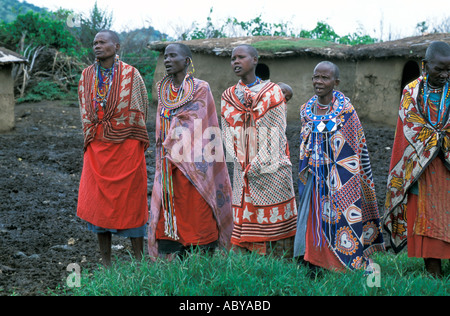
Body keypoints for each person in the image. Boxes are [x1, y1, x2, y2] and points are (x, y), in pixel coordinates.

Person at [294, 61, 385, 272]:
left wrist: (336, 172)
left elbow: (354, 148)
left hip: (341, 179)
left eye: (324, 78)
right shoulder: (306, 110)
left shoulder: (346, 112)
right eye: (316, 77)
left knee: (338, 219)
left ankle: (339, 263)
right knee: (313, 219)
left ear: (336, 82)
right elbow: (305, 142)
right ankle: (313, 260)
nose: (319, 82)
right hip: (315, 177)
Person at [148, 43, 233, 260]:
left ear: (186, 61)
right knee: (172, 208)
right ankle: (178, 256)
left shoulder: (200, 88)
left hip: (195, 165)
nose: (167, 60)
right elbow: (160, 126)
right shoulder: (163, 89)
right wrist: (166, 149)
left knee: (196, 209)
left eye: (173, 56)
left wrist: (172, 139)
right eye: (165, 56)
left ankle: (203, 259)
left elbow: (196, 121)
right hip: (169, 166)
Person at [77, 30, 150, 267]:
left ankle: (139, 262)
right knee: (98, 204)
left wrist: (124, 131)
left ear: (116, 46)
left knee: (132, 201)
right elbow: (84, 110)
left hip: (127, 148)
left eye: (102, 42)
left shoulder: (132, 74)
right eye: (95, 42)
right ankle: (106, 263)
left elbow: (140, 109)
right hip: (97, 148)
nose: (97, 46)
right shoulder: (87, 75)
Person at [221, 44, 297, 257]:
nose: (235, 61)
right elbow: (226, 131)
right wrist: (240, 161)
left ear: (255, 60)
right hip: (242, 169)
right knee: (244, 228)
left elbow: (277, 133)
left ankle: (277, 270)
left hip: (272, 169)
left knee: (275, 232)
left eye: (241, 57)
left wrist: (256, 165)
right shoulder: (228, 96)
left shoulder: (272, 93)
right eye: (232, 58)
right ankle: (248, 272)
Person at [384, 41, 450, 278]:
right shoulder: (411, 91)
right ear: (425, 66)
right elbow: (410, 124)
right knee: (425, 215)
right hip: (419, 168)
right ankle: (433, 271)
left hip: (446, 167)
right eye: (439, 69)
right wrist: (437, 139)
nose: (444, 75)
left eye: (449, 71)